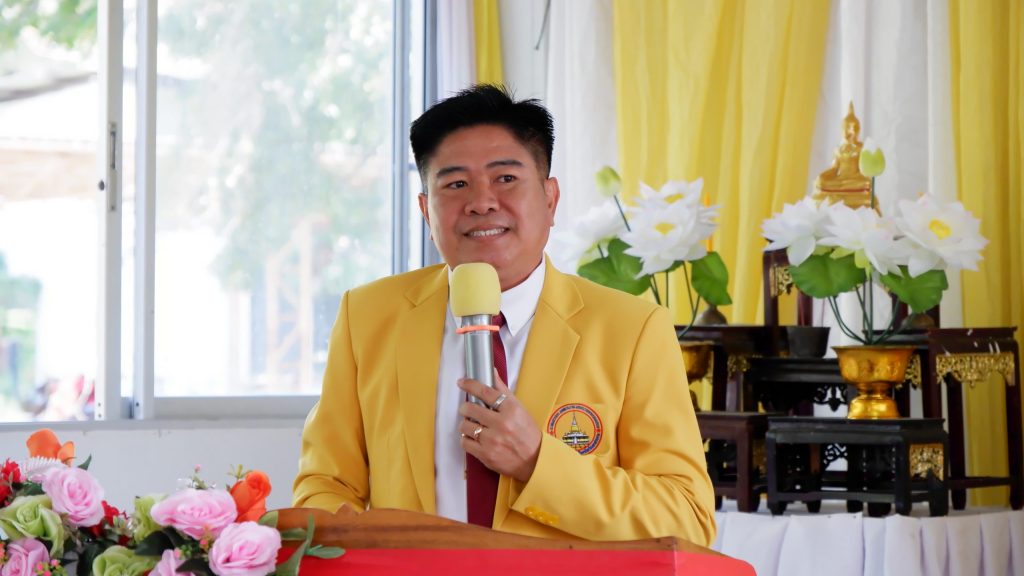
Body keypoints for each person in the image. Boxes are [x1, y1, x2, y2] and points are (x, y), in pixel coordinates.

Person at [293, 84, 716, 545]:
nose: (482, 202)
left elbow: (687, 520)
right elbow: (326, 485)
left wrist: (537, 462)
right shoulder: (367, 317)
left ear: (550, 199)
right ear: (426, 211)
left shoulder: (632, 330)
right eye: (456, 184)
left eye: (506, 178)